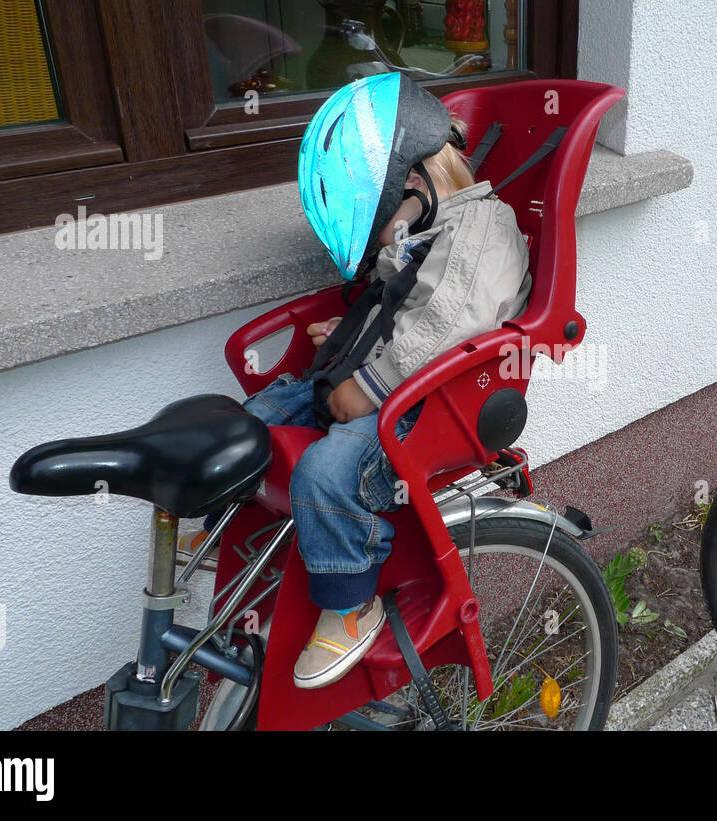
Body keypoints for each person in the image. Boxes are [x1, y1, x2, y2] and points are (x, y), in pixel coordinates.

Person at [188, 73, 530, 690]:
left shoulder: (480, 229)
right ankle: (226, 525)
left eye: (379, 223)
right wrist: (346, 340)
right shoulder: (426, 229)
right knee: (256, 414)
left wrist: (366, 386)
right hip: (386, 386)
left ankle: (349, 603)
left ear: (415, 180)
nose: (380, 241)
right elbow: (396, 307)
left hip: (423, 408)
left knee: (326, 473)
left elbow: (446, 324)